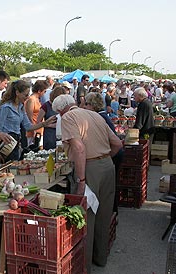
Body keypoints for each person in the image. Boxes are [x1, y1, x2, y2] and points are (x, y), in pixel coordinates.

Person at [52, 94, 122, 273]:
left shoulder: (68, 117)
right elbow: (117, 144)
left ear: (61, 110)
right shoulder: (95, 114)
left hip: (89, 167)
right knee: (104, 214)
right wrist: (104, 159)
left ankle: (85, 266)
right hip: (107, 165)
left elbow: (79, 148)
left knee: (88, 217)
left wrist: (81, 179)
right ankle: (101, 258)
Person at [0, 80, 56, 161]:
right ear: (17, 93)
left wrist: (44, 123)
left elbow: (28, 126)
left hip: (15, 142)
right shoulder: (5, 107)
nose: (27, 97)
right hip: (6, 143)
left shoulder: (21, 107)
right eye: (25, 94)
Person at [25, 80, 48, 146]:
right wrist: (34, 130)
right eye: (44, 91)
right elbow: (29, 116)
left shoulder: (37, 99)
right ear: (39, 91)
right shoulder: (31, 99)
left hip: (39, 129)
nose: (45, 93)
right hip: (33, 130)